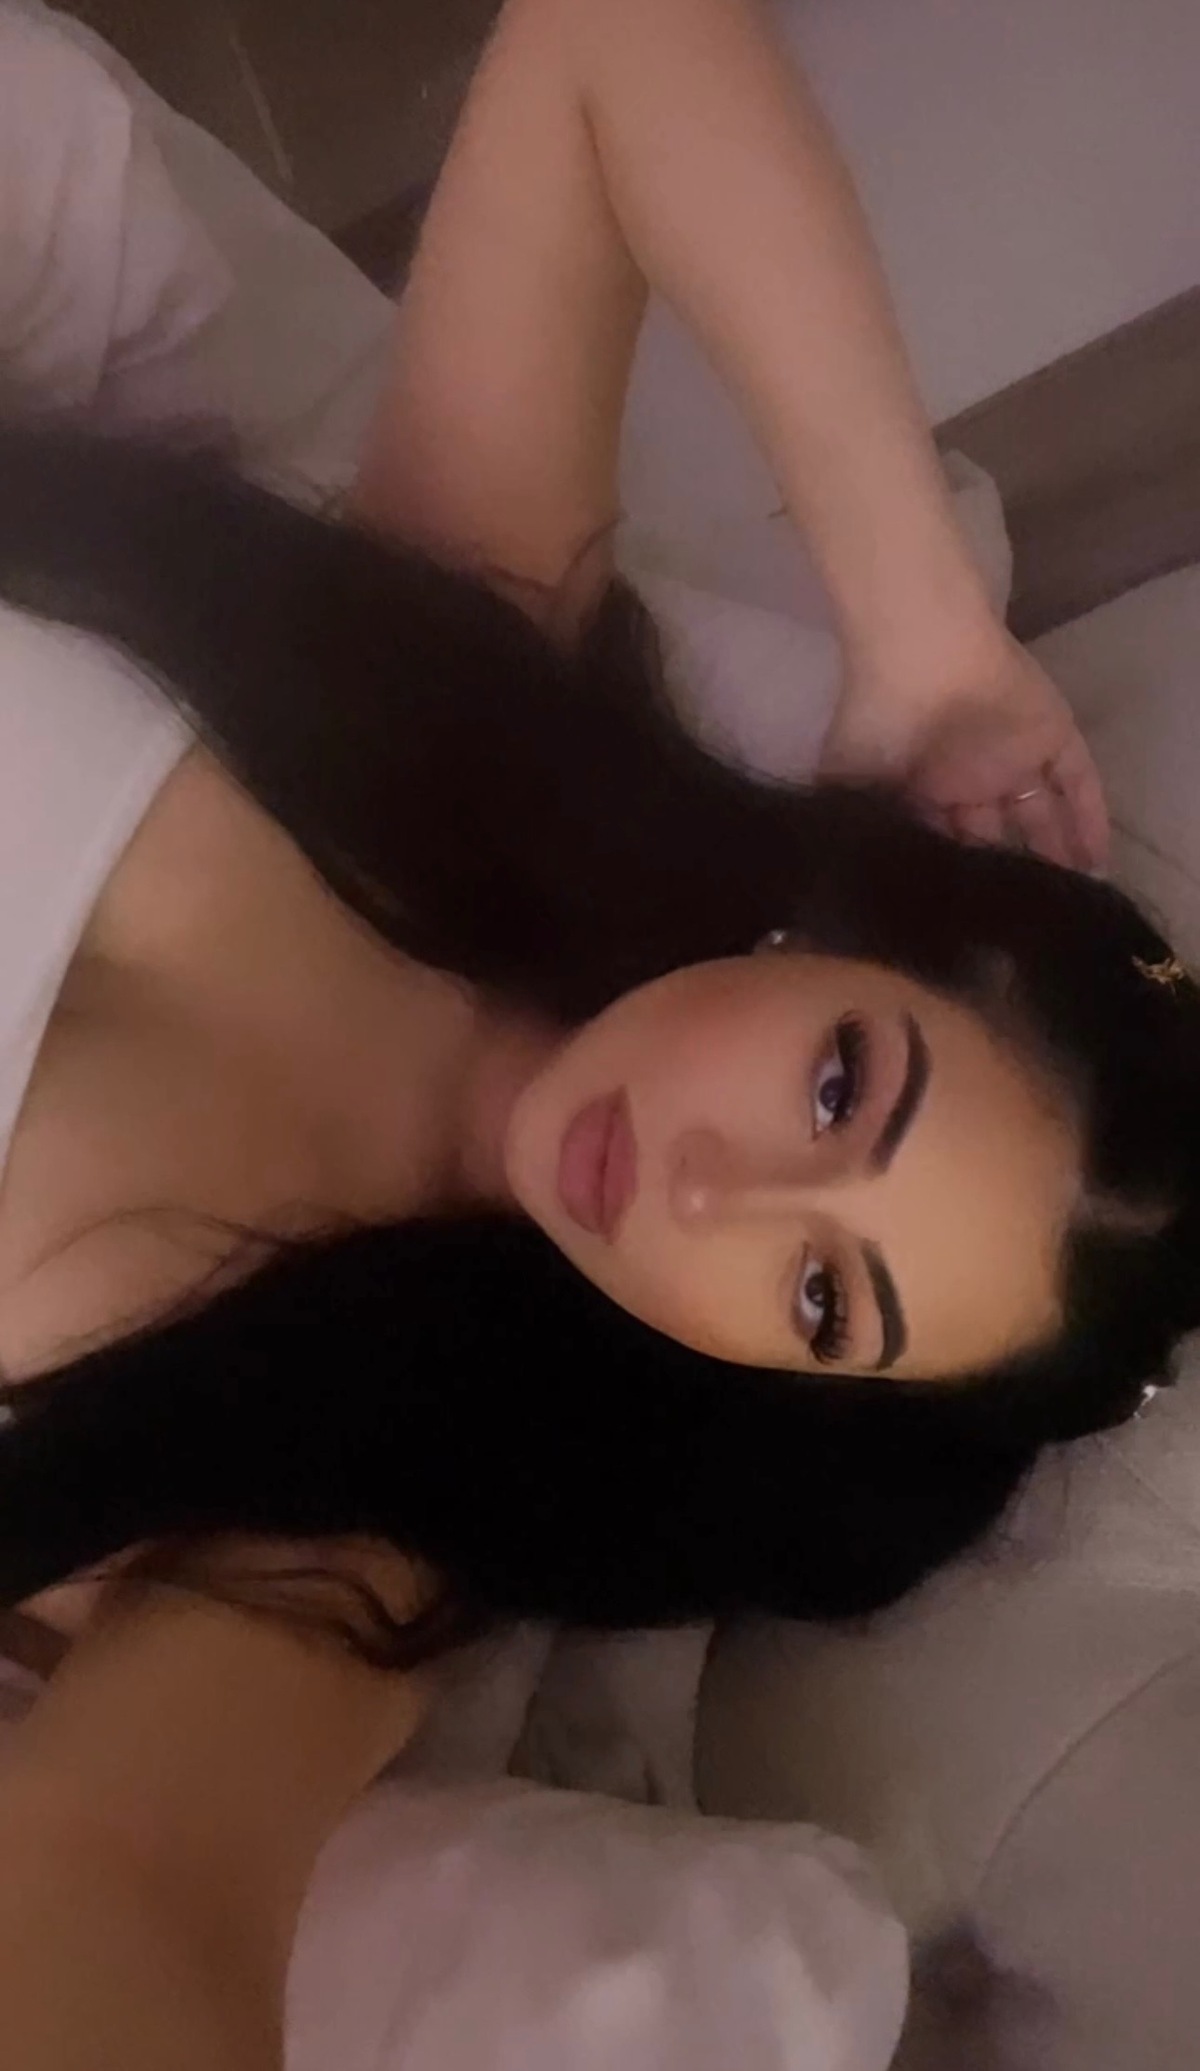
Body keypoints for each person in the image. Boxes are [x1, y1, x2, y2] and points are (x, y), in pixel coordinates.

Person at [0, 0, 1196, 2064]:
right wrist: (922, 627)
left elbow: (137, 1890)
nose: (716, 1193)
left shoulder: (363, 1506)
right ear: (839, 924)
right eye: (843, 1082)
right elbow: (615, 36)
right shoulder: (462, 707)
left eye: (821, 1299)